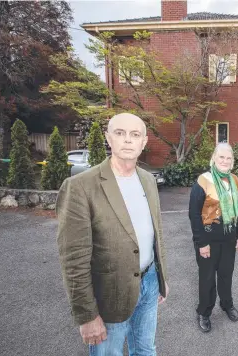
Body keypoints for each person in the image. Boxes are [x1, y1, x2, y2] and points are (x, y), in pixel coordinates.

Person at [56, 113, 169, 356]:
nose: (128, 140)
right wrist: (87, 316)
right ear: (109, 138)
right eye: (120, 133)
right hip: (109, 293)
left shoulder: (148, 180)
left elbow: (155, 233)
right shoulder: (80, 187)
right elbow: (73, 260)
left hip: (149, 282)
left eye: (135, 135)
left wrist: (161, 279)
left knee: (146, 350)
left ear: (144, 142)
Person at [188, 143, 238, 333]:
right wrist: (201, 243)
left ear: (232, 161)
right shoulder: (203, 181)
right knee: (207, 278)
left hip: (229, 238)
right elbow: (194, 215)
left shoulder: (234, 180)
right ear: (214, 158)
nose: (225, 161)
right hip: (208, 240)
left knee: (226, 275)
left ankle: (227, 304)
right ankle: (204, 312)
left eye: (228, 158)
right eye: (221, 157)